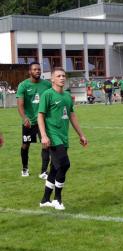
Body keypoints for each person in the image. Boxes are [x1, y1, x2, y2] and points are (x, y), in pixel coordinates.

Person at [38, 67, 88, 210]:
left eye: (63, 76)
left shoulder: (67, 95)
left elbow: (72, 115)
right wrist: (43, 135)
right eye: (58, 76)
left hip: (63, 137)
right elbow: (40, 115)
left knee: (55, 168)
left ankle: (45, 199)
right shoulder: (47, 94)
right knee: (65, 164)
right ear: (52, 79)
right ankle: (57, 199)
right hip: (52, 136)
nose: (62, 78)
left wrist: (81, 134)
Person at [16, 62, 52, 178]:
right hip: (29, 122)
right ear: (30, 71)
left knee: (46, 144)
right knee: (25, 145)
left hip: (43, 121)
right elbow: (20, 104)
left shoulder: (47, 84)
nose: (37, 71)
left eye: (39, 69)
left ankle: (43, 172)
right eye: (35, 69)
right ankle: (25, 168)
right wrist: (24, 117)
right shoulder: (23, 85)